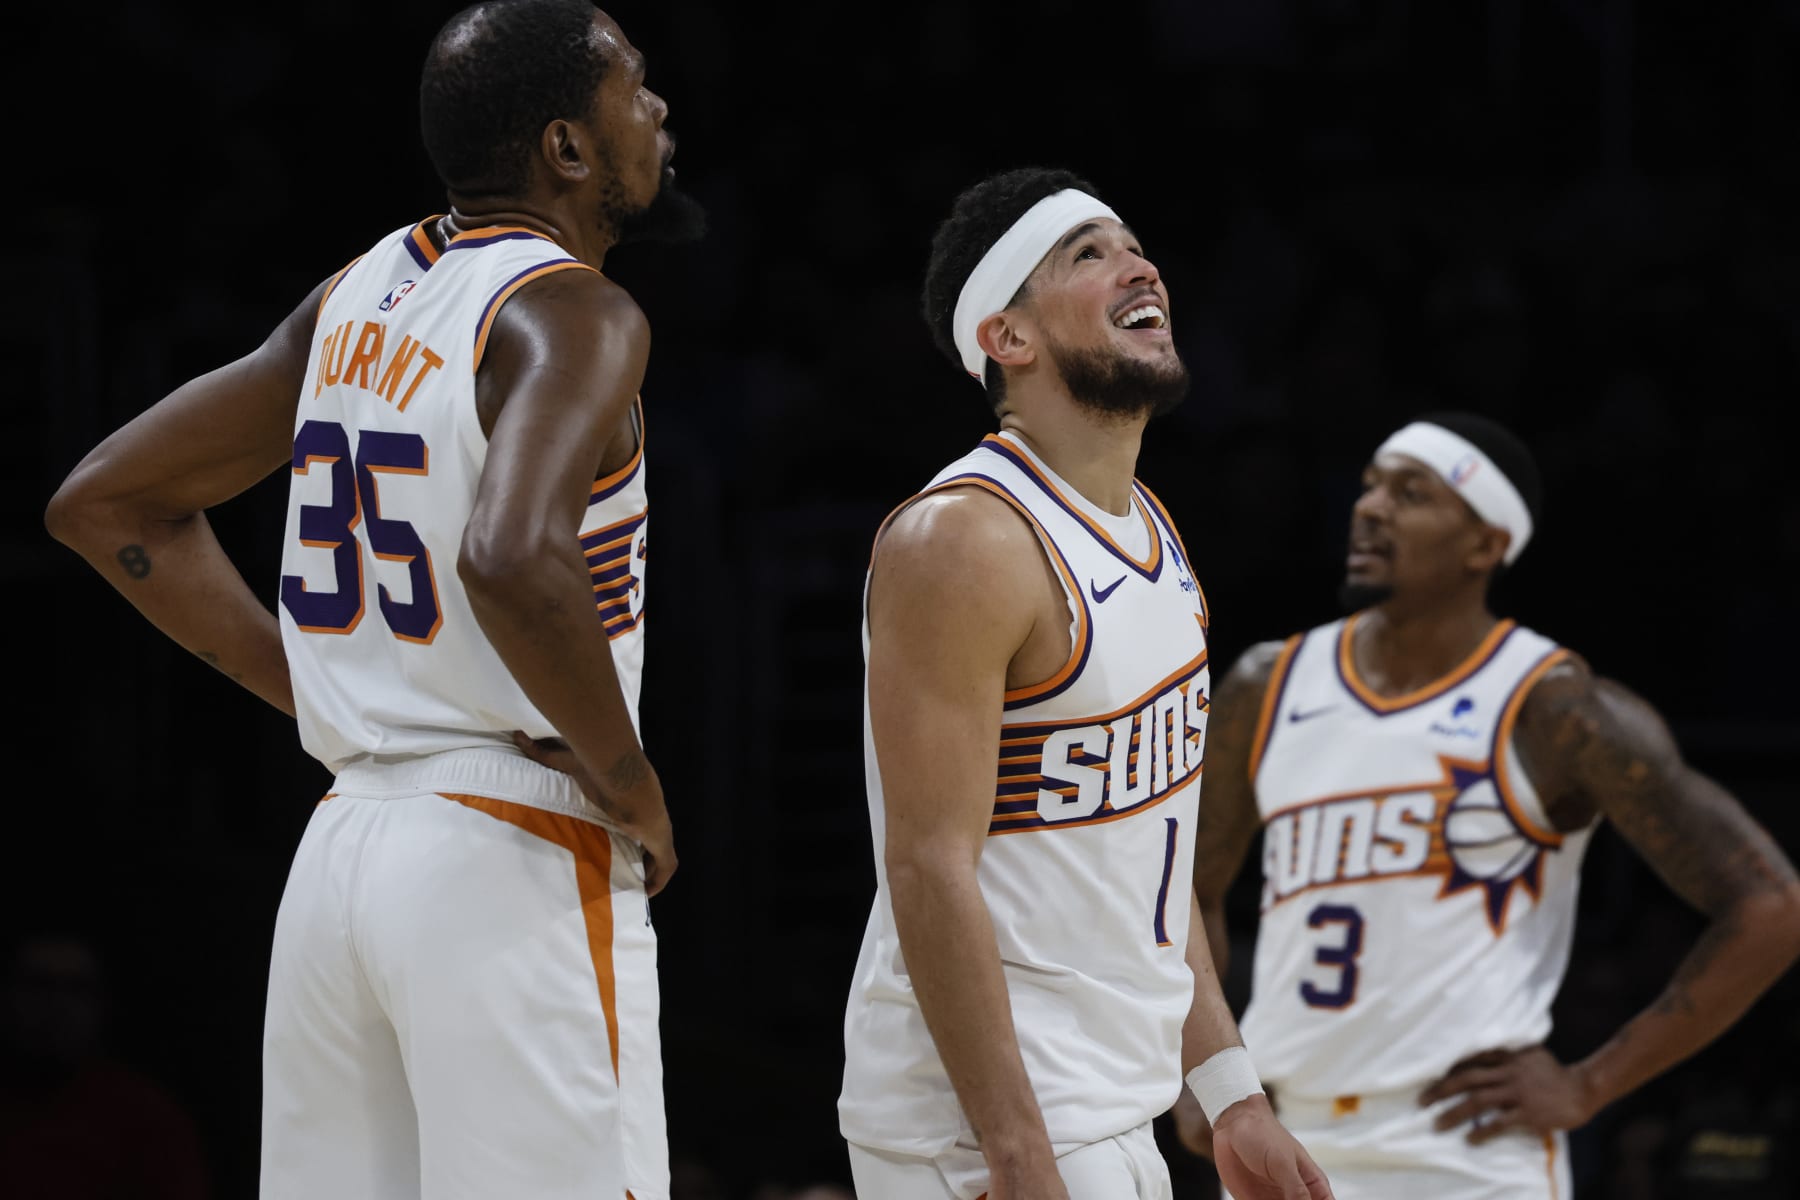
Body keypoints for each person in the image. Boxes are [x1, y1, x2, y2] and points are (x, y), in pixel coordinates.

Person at [43, 2, 706, 1196]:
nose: (658, 108)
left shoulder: (352, 296)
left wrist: (313, 690)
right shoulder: (577, 310)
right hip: (511, 839)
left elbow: (106, 503)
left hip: (341, 855)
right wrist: (631, 783)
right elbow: (512, 557)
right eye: (634, 86)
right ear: (566, 148)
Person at [837, 165, 1333, 1200]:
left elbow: (1154, 848)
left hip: (1110, 1100)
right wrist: (1017, 1151)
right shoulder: (962, 538)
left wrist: (1230, 1092)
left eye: (1136, 246)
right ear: (1007, 337)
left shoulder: (1152, 526)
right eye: (1089, 254)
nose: (1139, 267)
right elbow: (928, 866)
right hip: (985, 1126)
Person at [1174, 412, 1800, 1198]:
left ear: (1485, 544)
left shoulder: (1554, 707)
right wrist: (1210, 1073)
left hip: (1468, 1151)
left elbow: (1772, 905)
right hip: (1290, 1134)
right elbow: (1187, 891)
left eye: (1411, 493)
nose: (1371, 508)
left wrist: (1590, 1084)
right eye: (1370, 486)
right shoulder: (1267, 686)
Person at [0, 933, 211, 1200]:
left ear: (102, 1005)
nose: (57, 1005)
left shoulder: (148, 1118)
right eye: (38, 985)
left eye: (77, 989)